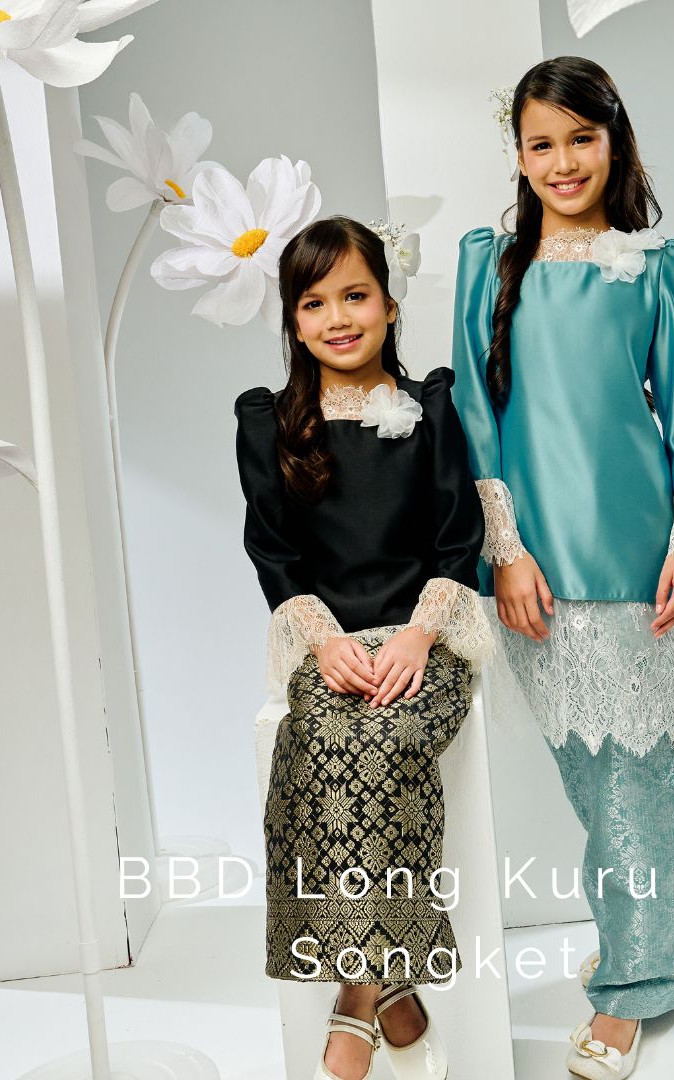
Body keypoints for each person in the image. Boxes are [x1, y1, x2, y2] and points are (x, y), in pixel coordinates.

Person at [451, 56, 674, 1079]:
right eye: (541, 143)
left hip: (639, 557)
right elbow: (476, 413)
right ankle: (673, 943)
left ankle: (636, 985)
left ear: (615, 141)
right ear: (518, 155)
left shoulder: (658, 265)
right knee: (598, 779)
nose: (563, 162)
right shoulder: (490, 264)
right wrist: (505, 551)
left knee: (649, 776)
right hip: (535, 566)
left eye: (581, 138)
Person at [234, 216, 494, 1080]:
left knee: (386, 740)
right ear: (293, 320)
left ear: (389, 302)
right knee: (319, 740)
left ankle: (355, 995)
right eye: (314, 303)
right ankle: (396, 991)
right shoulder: (270, 423)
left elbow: (458, 543)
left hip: (428, 636)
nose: (338, 318)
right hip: (330, 643)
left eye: (356, 295)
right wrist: (324, 643)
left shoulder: (432, 409)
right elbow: (274, 553)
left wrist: (420, 635)